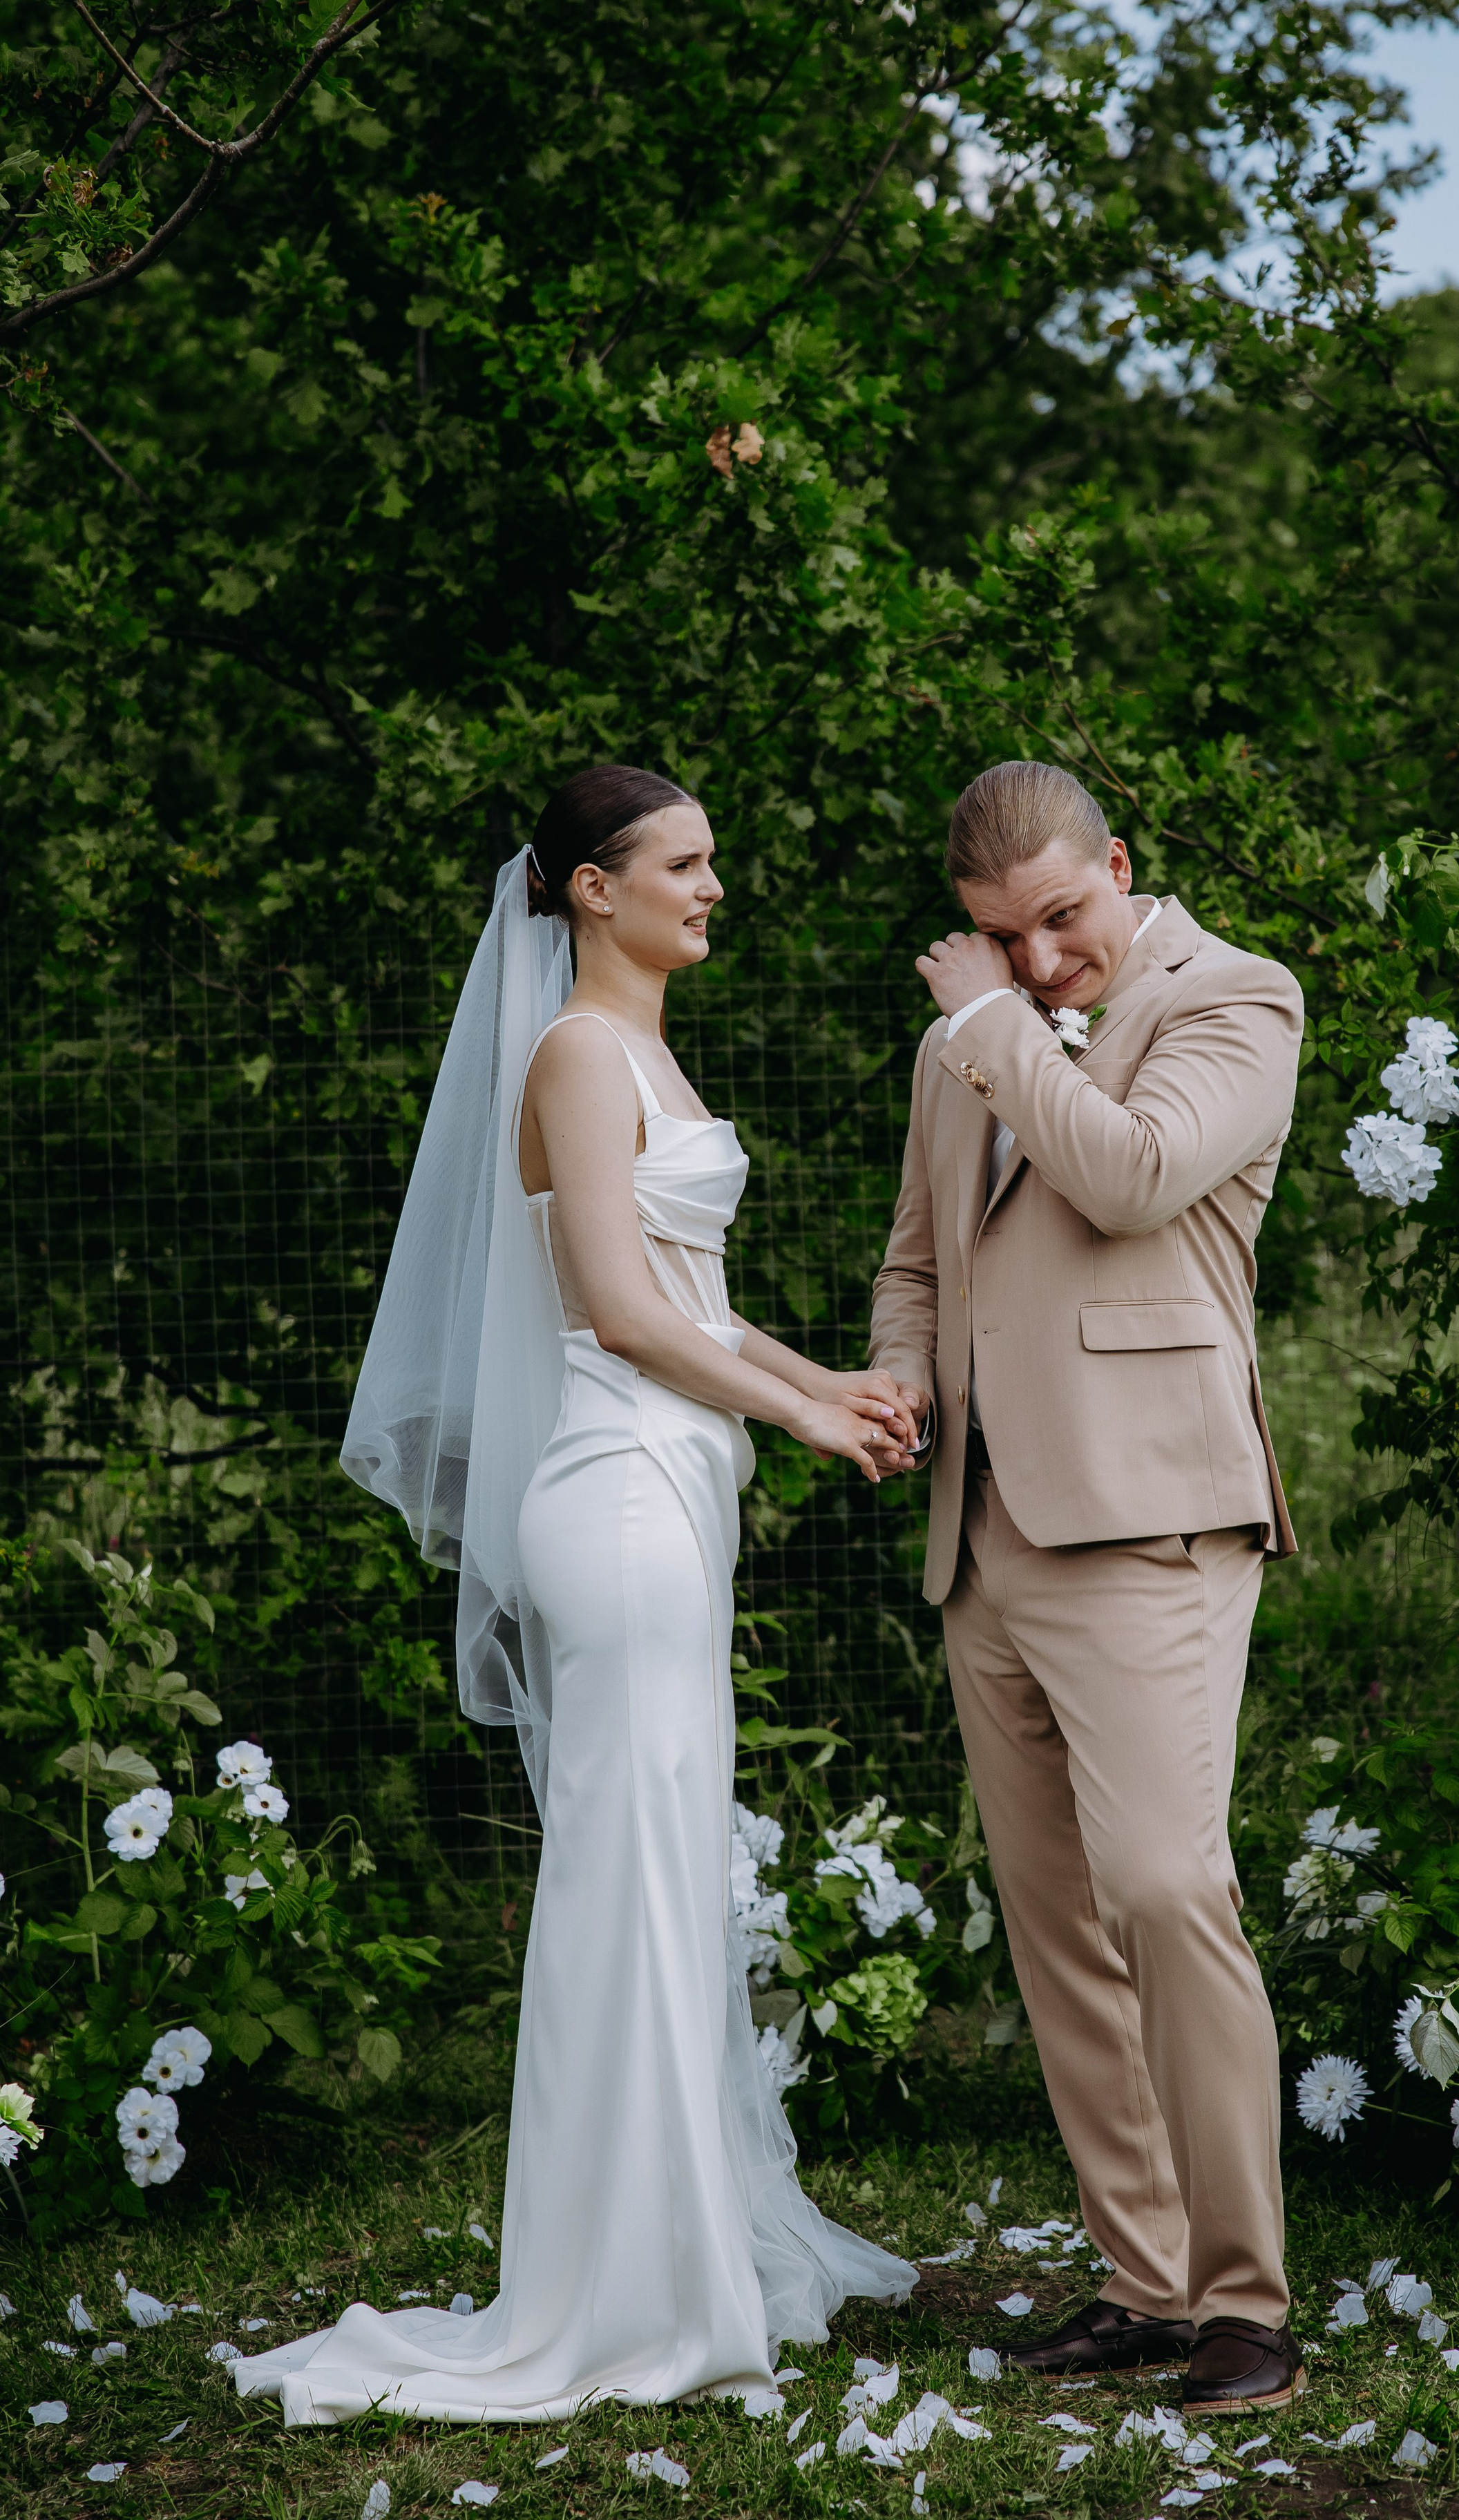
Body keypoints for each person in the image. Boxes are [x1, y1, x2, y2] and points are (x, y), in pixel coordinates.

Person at [236, 766, 917, 2426]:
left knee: (669, 1861)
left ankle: (674, 2245)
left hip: (668, 1488)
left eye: (712, 860)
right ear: (590, 890)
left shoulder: (644, 1052)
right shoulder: (572, 1053)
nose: (714, 886)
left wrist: (816, 1367)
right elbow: (614, 1309)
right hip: (611, 1496)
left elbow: (695, 1293)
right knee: (623, 1869)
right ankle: (606, 2288)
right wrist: (804, 1413)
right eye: (683, 863)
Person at [869, 760, 1305, 2413]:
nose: (1041, 961)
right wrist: (895, 1383)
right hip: (987, 1535)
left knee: (1165, 1888)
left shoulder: (1232, 1000)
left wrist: (989, 1030)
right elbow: (918, 1259)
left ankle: (1245, 2299)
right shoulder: (961, 1041)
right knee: (1057, 1925)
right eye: (1002, 935)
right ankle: (1143, 2281)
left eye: (1063, 917)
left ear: (1116, 866)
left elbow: (1128, 1175)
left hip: (1153, 1524)